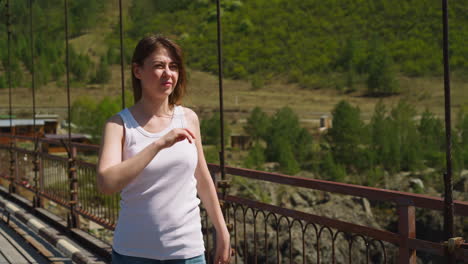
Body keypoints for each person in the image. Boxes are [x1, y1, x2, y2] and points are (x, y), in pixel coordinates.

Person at [97, 35, 231, 264]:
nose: (168, 73)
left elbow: (203, 179)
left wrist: (222, 231)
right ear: (137, 71)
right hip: (133, 253)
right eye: (159, 65)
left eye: (174, 66)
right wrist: (158, 145)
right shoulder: (118, 125)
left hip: (187, 252)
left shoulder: (188, 118)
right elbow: (106, 183)